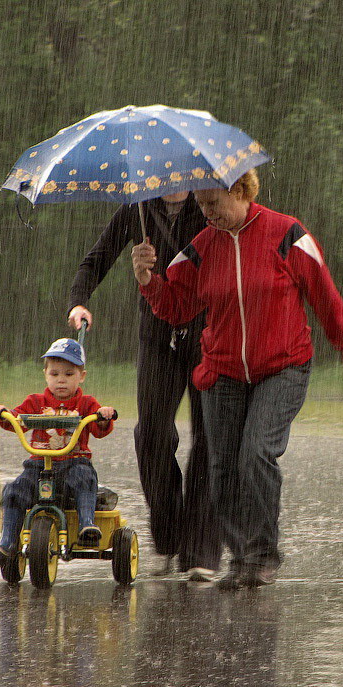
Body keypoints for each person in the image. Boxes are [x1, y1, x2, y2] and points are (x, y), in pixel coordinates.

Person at [132, 169, 343, 589]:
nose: (207, 213)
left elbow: (323, 293)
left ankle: (261, 556)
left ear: (240, 191)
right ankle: (240, 557)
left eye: (213, 204)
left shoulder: (287, 234)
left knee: (256, 453)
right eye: (201, 205)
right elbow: (176, 307)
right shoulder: (200, 251)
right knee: (221, 467)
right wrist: (149, 281)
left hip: (283, 367)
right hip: (223, 371)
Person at [67, 192, 222, 582]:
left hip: (209, 331)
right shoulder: (136, 209)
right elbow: (96, 258)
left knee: (208, 437)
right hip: (157, 335)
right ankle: (169, 539)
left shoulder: (209, 205)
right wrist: (79, 302)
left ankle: (201, 548)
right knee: (151, 432)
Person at [0, 337, 116, 564]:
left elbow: (98, 429)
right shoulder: (35, 402)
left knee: (84, 477)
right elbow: (16, 421)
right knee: (13, 491)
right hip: (38, 466)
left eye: (68, 374)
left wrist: (103, 416)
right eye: (55, 374)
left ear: (81, 376)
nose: (61, 380)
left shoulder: (86, 403)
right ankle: (7, 543)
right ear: (45, 374)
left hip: (74, 464)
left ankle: (87, 525)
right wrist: (3, 412)